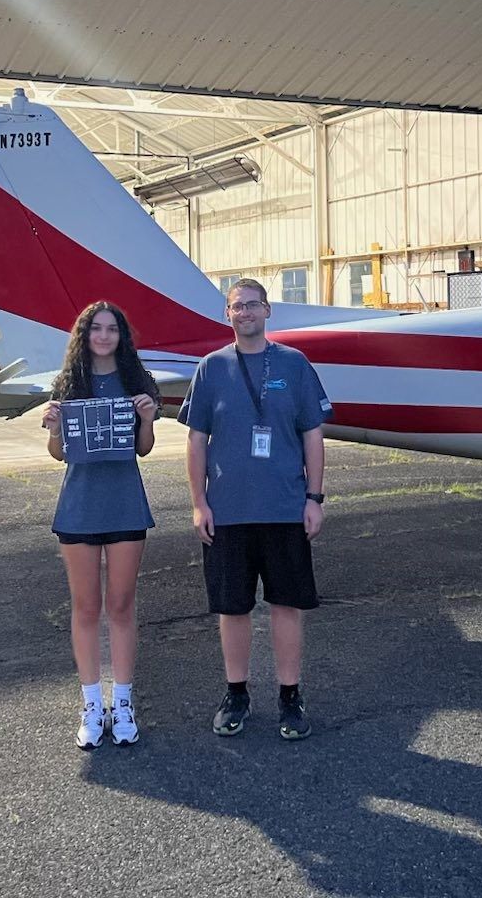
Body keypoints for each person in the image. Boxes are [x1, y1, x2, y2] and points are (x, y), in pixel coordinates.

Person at [179, 278, 330, 740]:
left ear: (268, 311)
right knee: (234, 608)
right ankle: (237, 695)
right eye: (236, 306)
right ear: (228, 315)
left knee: (286, 606)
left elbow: (312, 435)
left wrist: (314, 498)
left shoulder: (294, 364)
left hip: (285, 508)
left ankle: (290, 697)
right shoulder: (210, 369)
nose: (244, 312)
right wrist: (199, 502)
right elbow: (196, 439)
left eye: (252, 304)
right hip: (227, 512)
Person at [40, 301, 160, 750]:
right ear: (84, 335)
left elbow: (143, 448)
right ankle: (92, 703)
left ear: (122, 336)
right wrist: (53, 429)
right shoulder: (69, 383)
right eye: (97, 329)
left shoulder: (137, 381)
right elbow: (60, 453)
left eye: (112, 329)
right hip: (79, 508)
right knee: (86, 607)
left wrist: (146, 419)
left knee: (122, 605)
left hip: (126, 507)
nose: (105, 336)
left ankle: (123, 701)